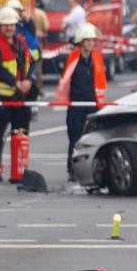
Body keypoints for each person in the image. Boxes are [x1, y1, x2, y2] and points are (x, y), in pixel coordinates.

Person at [0, 7, 35, 181]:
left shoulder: (20, 42)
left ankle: (20, 171)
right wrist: (16, 83)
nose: (10, 28)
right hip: (2, 98)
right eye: (6, 25)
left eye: (12, 25)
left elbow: (30, 62)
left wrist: (29, 80)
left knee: (20, 134)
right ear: (0, 26)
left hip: (21, 97)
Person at [56, 23, 107, 179]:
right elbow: (65, 80)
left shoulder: (97, 58)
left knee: (93, 138)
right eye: (88, 40)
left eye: (92, 40)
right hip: (77, 105)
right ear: (81, 42)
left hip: (93, 104)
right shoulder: (73, 59)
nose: (91, 43)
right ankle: (72, 169)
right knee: (75, 139)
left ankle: (92, 169)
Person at [33, 0, 50, 92]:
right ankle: (39, 88)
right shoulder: (41, 13)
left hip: (26, 43)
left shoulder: (28, 13)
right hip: (38, 43)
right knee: (38, 67)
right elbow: (46, 27)